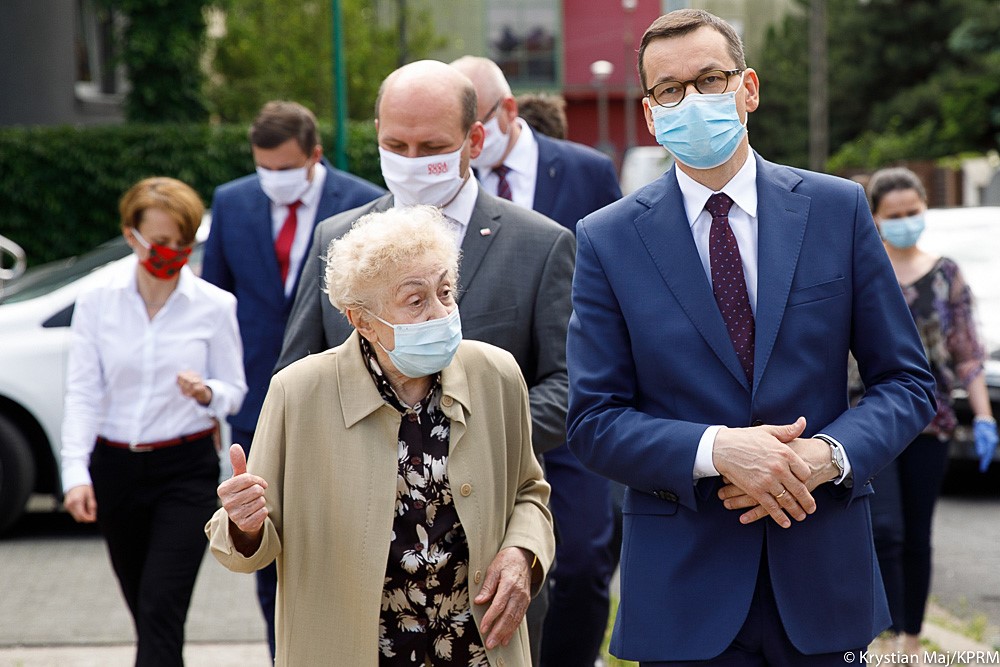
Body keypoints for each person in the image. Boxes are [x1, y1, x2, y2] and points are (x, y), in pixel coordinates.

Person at [565, 9, 936, 666]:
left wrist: (827, 456)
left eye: (710, 79)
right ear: (649, 114)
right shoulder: (606, 239)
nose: (692, 101)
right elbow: (593, 420)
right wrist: (719, 449)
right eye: (669, 90)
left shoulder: (837, 209)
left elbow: (906, 382)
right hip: (684, 593)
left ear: (749, 88)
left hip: (822, 574)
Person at [276, 59, 575, 665]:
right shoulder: (337, 238)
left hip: (484, 567)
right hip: (357, 582)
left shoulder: (541, 243)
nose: (412, 161)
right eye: (395, 145)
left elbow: (570, 385)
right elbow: (299, 368)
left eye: (432, 147)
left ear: (475, 140)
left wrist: (486, 430)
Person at [207, 205, 555, 665]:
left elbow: (529, 491)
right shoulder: (299, 393)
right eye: (416, 301)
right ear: (362, 321)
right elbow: (251, 547)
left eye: (445, 292)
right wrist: (245, 524)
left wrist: (521, 552)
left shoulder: (496, 374)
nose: (440, 313)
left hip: (476, 648)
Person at [450, 55, 622, 667]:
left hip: (569, 400)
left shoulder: (584, 171)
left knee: (583, 562)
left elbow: (619, 271)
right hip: (471, 412)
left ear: (507, 112)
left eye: (475, 122)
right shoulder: (444, 180)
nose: (467, 140)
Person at [201, 99, 383, 657]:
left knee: (334, 534)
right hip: (256, 396)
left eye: (284, 167)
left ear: (314, 155)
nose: (273, 178)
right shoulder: (233, 202)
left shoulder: (361, 203)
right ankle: (283, 650)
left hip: (339, 397)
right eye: (264, 167)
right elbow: (216, 301)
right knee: (258, 528)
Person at [61, 177, 247, 667]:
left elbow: (234, 390)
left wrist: (206, 392)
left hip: (184, 470)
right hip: (115, 468)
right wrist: (75, 473)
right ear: (132, 236)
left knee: (161, 606)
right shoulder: (98, 301)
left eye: (183, 242)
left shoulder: (214, 305)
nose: (173, 252)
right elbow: (83, 392)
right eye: (162, 241)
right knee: (144, 609)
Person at [865, 166, 998, 656]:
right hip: (870, 420)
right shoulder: (864, 269)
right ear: (876, 218)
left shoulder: (945, 275)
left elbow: (966, 352)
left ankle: (911, 639)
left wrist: (983, 416)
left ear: (925, 209)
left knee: (917, 534)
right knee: (884, 530)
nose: (905, 221)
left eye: (912, 212)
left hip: (930, 419)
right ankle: (882, 634)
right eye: (894, 214)